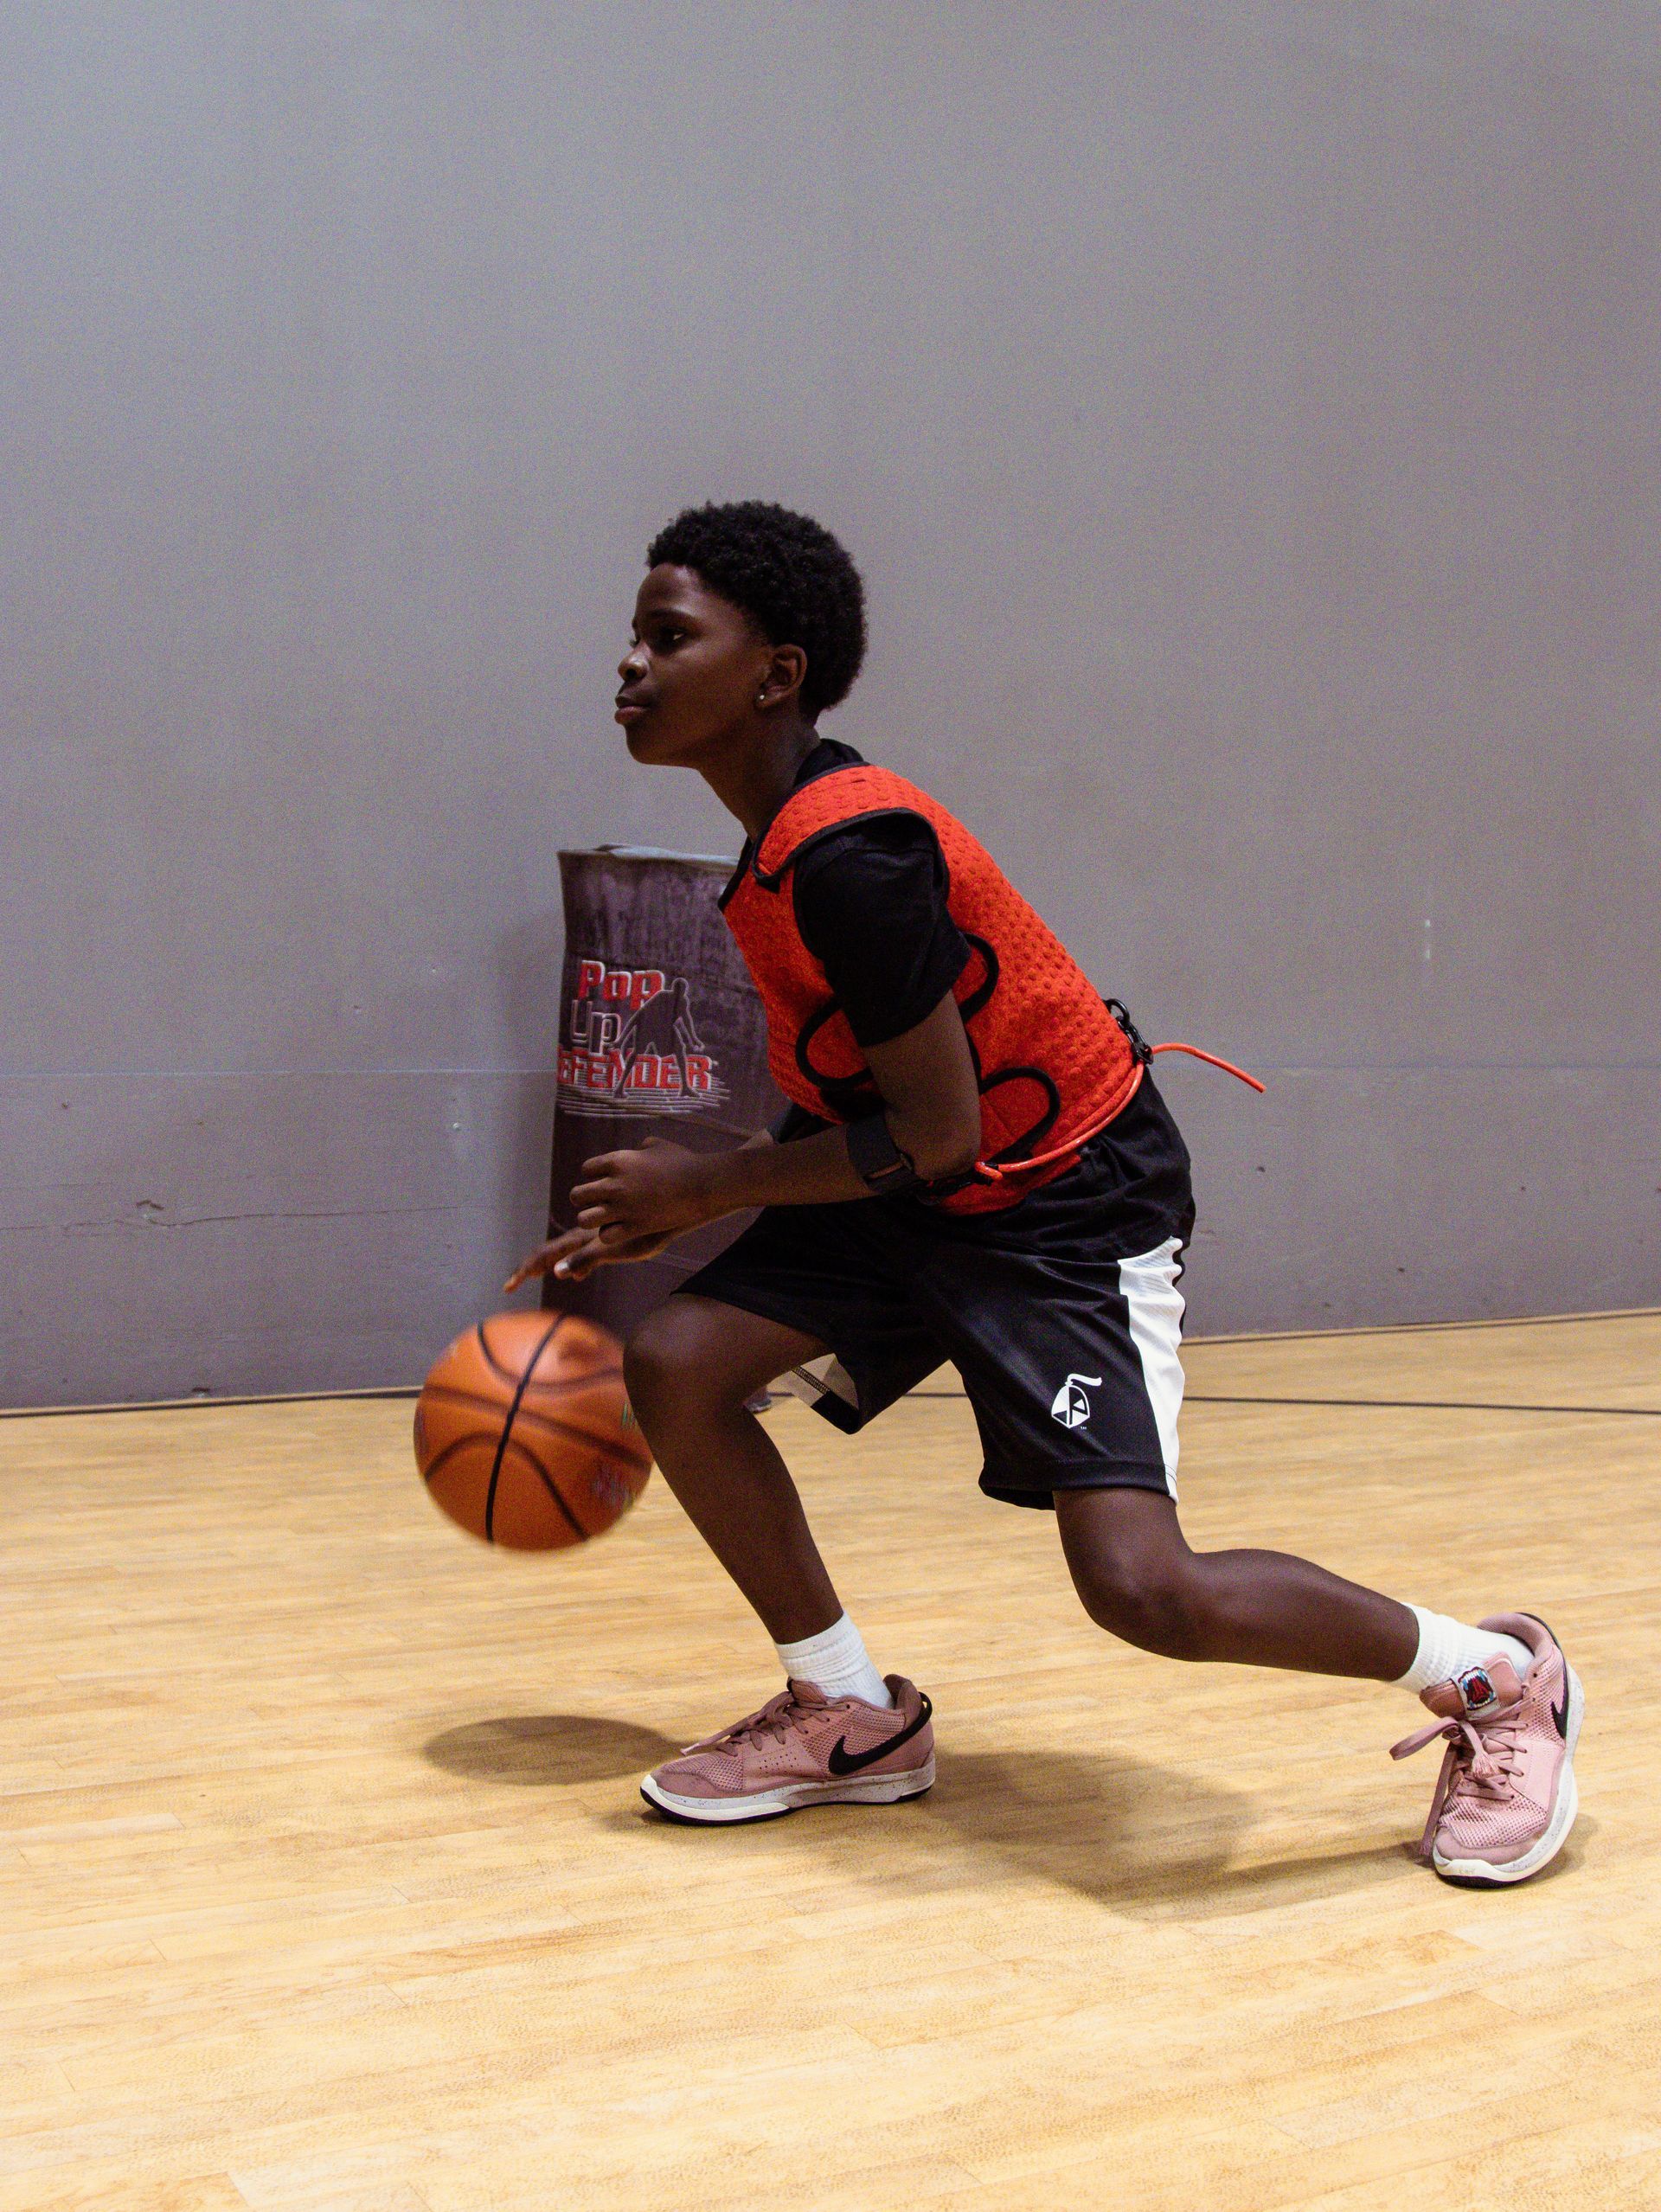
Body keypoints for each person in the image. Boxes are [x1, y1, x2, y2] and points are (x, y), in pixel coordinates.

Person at [505, 501, 1581, 1883]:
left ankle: (1497, 1677)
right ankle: (846, 1709)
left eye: (669, 637)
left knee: (1144, 1589)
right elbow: (872, 1094)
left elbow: (941, 1132)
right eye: (634, 637)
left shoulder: (850, 853)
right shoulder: (782, 843)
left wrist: (701, 1187)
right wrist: (667, 1204)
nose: (631, 667)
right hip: (933, 1186)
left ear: (775, 671)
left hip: (1065, 1202)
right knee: (680, 1357)